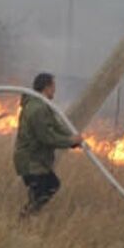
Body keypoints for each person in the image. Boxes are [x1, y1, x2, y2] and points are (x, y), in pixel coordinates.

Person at [13, 72, 82, 216]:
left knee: (47, 187)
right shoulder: (38, 109)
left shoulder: (41, 105)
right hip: (31, 161)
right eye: (53, 86)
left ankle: (28, 219)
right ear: (47, 87)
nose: (55, 90)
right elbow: (47, 137)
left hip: (36, 160)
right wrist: (70, 141)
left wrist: (73, 138)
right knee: (48, 187)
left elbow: (56, 126)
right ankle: (25, 219)